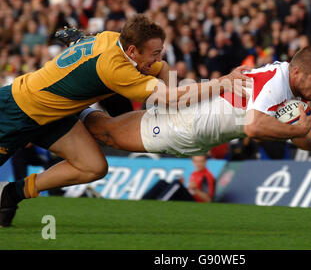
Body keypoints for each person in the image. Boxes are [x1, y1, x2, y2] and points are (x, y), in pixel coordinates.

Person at [0, 14, 250, 227]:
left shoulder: (114, 40)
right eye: (153, 53)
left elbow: (161, 69)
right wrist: (222, 83)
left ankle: (10, 193)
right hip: (17, 110)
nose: (157, 58)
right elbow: (170, 98)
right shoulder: (116, 69)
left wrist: (170, 86)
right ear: (133, 50)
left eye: (159, 51)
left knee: (94, 166)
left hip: (54, 114)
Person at [81, 46, 311, 158]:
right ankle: (76, 96)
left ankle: (80, 101)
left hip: (194, 127)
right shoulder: (276, 81)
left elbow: (296, 137)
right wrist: (297, 130)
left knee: (111, 127)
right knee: (107, 133)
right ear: (297, 72)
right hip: (183, 124)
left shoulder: (291, 90)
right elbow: (254, 127)